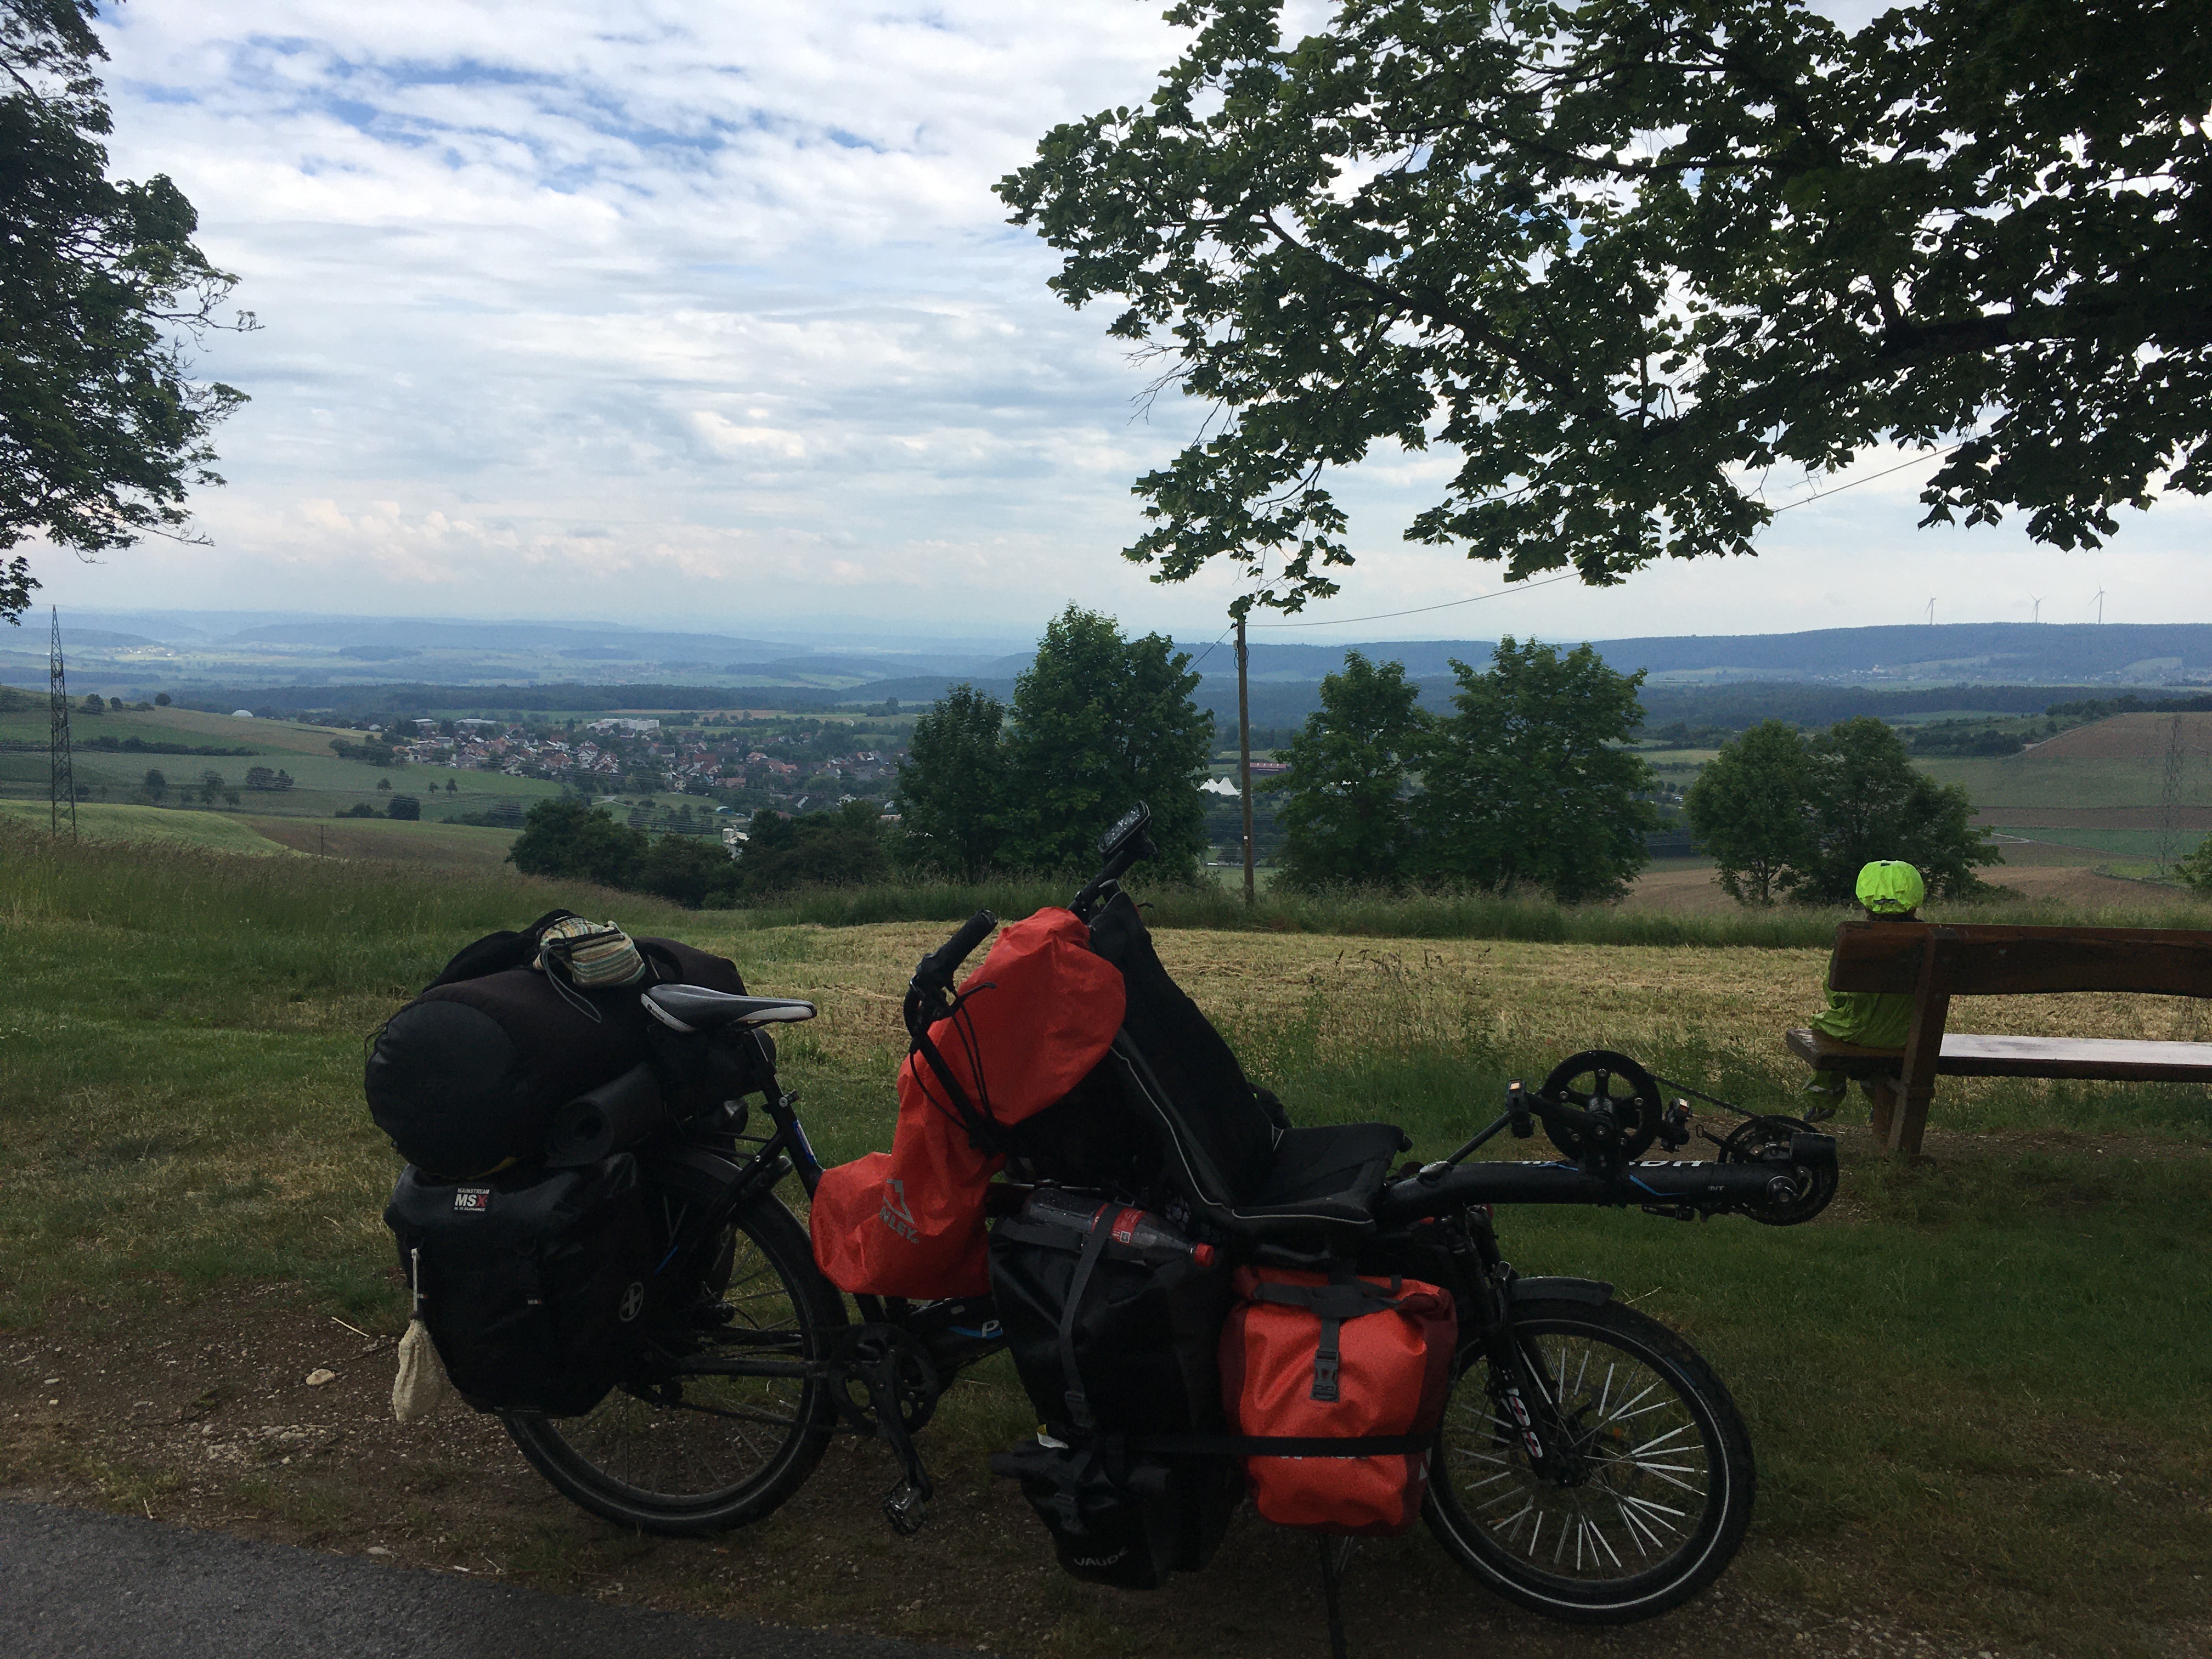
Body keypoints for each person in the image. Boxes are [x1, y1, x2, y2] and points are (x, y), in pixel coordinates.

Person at [1802, 861, 1926, 1111]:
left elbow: (1836, 995)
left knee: (1822, 1024)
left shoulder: (1856, 940)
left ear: (1865, 899)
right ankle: (1881, 1104)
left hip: (1861, 1032)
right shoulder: (1931, 939)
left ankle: (1824, 1099)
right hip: (1914, 1034)